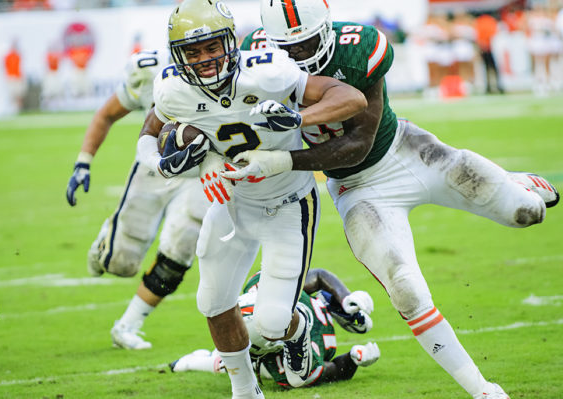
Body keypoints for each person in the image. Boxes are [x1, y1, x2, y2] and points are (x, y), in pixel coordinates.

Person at [224, 1, 561, 398]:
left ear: (327, 29)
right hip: (358, 190)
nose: (298, 54)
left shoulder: (359, 48)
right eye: (288, 47)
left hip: (405, 150)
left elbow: (359, 145)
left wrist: (281, 159)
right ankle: (483, 390)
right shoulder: (257, 59)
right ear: (272, 43)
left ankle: (513, 181)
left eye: (307, 42)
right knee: (406, 289)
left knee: (528, 212)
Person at [135, 0, 367, 397]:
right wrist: (161, 163)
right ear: (179, 56)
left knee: (274, 323)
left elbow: (351, 99)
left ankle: (299, 329)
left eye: (211, 47)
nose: (205, 60)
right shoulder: (173, 87)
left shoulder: (269, 72)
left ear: (231, 42)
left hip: (288, 203)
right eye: (193, 52)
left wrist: (299, 118)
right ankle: (244, 390)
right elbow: (151, 129)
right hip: (232, 203)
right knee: (212, 301)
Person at [66, 49, 211, 350]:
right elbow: (106, 114)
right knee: (120, 263)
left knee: (179, 251)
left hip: (201, 174)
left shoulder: (228, 72)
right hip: (154, 167)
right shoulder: (151, 72)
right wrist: (83, 162)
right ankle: (108, 240)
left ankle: (127, 326)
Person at [170, 268, 381, 388]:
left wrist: (344, 298)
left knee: (226, 356)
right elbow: (332, 370)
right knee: (222, 363)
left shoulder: (260, 286)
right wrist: (354, 359)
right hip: (277, 355)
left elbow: (316, 276)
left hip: (306, 312)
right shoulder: (287, 368)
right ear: (274, 343)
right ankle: (188, 363)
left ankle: (334, 305)